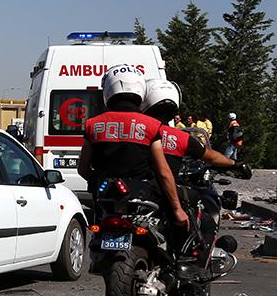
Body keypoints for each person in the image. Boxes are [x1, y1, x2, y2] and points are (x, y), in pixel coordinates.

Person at [141, 80, 250, 255]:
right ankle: (198, 257)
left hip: (139, 192)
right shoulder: (178, 136)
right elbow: (210, 155)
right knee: (202, 216)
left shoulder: (137, 132)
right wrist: (235, 164)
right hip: (166, 192)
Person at [77, 65, 187, 229]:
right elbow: (163, 172)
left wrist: (99, 181)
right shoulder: (152, 125)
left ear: (108, 91)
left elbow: (83, 168)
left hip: (104, 199)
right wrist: (177, 208)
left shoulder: (93, 125)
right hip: (142, 199)